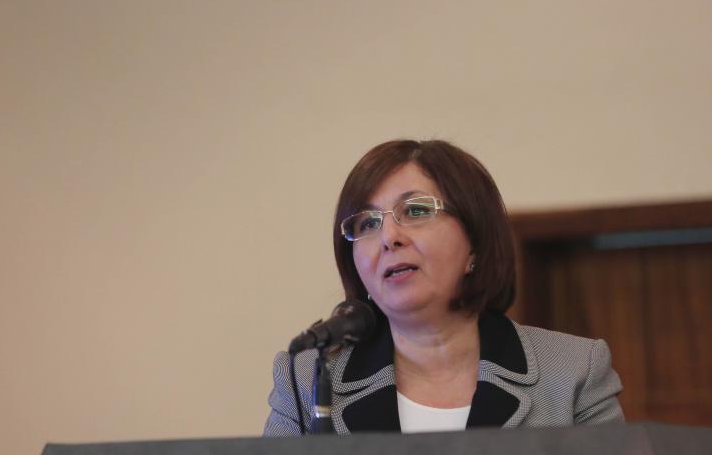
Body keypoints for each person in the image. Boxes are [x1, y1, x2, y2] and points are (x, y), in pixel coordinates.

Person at [263, 139, 623, 436]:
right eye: (368, 223)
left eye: (416, 211)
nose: (389, 237)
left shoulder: (574, 373)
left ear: (475, 243)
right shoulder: (306, 381)